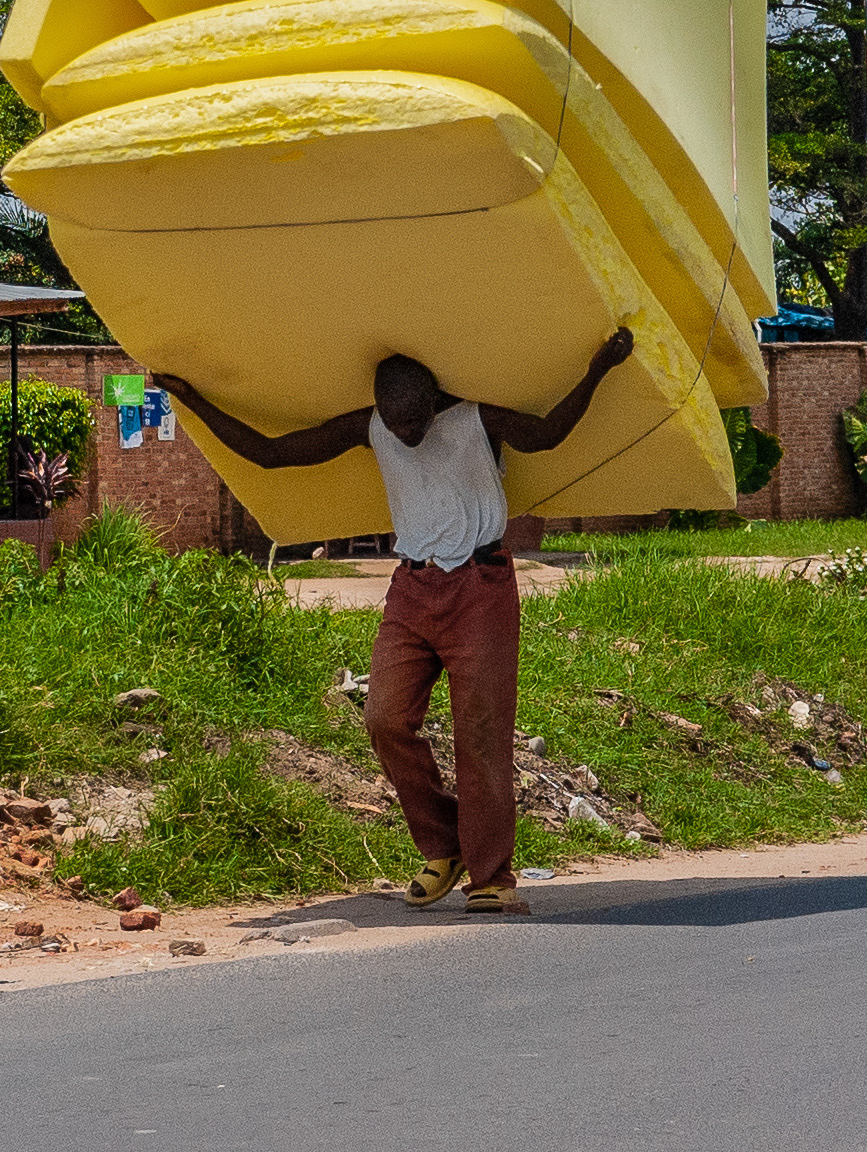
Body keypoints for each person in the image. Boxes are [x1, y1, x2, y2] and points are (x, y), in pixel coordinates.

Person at [157, 328, 635, 914]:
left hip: (481, 587)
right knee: (384, 718)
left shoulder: (475, 421)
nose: (404, 434)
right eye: (393, 420)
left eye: (413, 420)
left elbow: (550, 432)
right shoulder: (373, 426)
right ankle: (444, 845)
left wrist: (600, 366)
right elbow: (271, 451)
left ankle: (491, 878)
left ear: (433, 399)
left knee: (480, 737)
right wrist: (190, 398)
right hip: (412, 588)